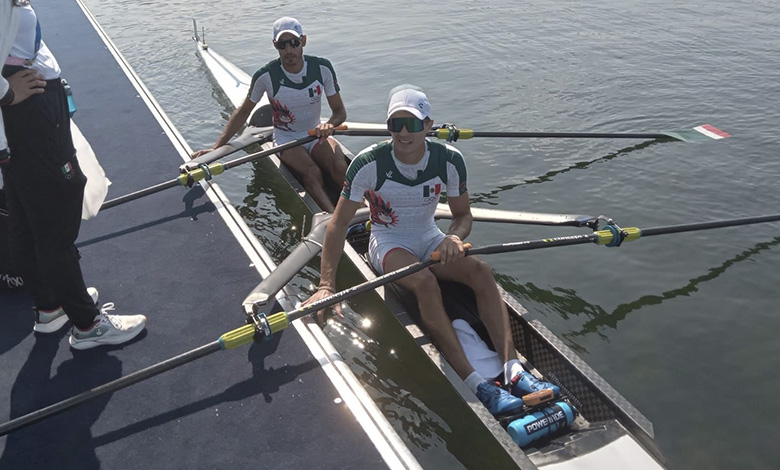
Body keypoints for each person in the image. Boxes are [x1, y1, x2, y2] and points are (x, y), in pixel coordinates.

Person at [303, 85, 559, 417]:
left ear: (428, 125)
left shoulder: (450, 160)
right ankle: (474, 382)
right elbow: (337, 225)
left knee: (481, 270)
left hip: (429, 235)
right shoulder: (368, 163)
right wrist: (327, 284)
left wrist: (454, 237)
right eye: (396, 124)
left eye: (413, 124)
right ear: (388, 127)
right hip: (388, 241)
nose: (404, 132)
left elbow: (463, 215)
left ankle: (513, 369)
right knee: (425, 283)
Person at [1, 2, 146, 349]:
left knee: (25, 213)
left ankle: (51, 306)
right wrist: (7, 91)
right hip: (30, 115)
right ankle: (87, 324)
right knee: (55, 213)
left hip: (30, 115)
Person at [191, 16, 347, 212]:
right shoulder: (265, 76)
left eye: (294, 43)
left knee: (341, 168)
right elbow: (244, 112)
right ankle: (335, 221)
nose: (289, 50)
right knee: (312, 172)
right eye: (282, 45)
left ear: (303, 41)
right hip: (286, 138)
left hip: (315, 133)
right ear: (275, 45)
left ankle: (364, 211)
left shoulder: (322, 68)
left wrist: (330, 125)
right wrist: (216, 148)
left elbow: (340, 112)